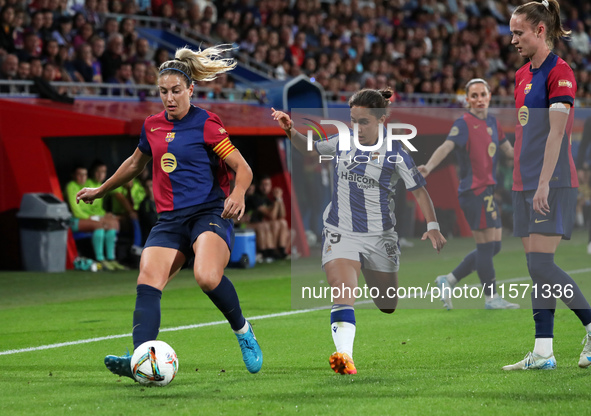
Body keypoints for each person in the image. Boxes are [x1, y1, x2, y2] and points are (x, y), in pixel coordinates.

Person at [76, 45, 262, 380]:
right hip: (170, 219)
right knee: (147, 280)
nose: (169, 98)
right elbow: (135, 163)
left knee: (206, 276)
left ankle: (244, 331)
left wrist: (238, 192)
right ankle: (139, 360)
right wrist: (100, 190)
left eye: (176, 91)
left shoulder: (207, 124)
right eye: (163, 92)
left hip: (207, 211)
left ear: (191, 89)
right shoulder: (152, 126)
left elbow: (242, 167)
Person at [271, 88, 447, 375]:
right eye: (354, 121)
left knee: (388, 304)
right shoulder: (342, 142)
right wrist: (290, 130)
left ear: (380, 120)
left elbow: (419, 191)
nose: (358, 128)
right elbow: (310, 148)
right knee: (342, 292)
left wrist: (433, 226)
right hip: (341, 231)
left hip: (380, 237)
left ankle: (364, 265)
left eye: (364, 122)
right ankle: (344, 356)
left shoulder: (396, 153)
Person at [503, 0, 591, 371]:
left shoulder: (562, 72)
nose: (513, 40)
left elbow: (557, 135)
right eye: (511, 33)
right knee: (537, 267)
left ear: (541, 30)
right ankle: (543, 351)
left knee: (541, 264)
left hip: (550, 182)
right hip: (525, 182)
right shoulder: (522, 75)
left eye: (518, 32)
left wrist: (541, 184)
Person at [418, 78, 519, 310]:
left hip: (488, 191)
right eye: (474, 95)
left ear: (489, 95)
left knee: (495, 246)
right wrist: (429, 167)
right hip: (474, 191)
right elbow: (446, 146)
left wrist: (533, 158)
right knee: (485, 247)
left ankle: (449, 280)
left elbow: (508, 151)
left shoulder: (494, 122)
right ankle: (491, 298)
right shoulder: (463, 123)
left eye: (482, 94)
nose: (479, 99)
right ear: (467, 100)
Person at [64, 166, 124, 271]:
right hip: (74, 220)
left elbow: (94, 209)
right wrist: (93, 219)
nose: (82, 177)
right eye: (79, 174)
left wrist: (104, 216)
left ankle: (111, 258)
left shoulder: (88, 186)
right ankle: (100, 259)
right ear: (74, 176)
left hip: (89, 219)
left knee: (112, 223)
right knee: (99, 225)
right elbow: (76, 211)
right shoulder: (71, 186)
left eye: (84, 175)